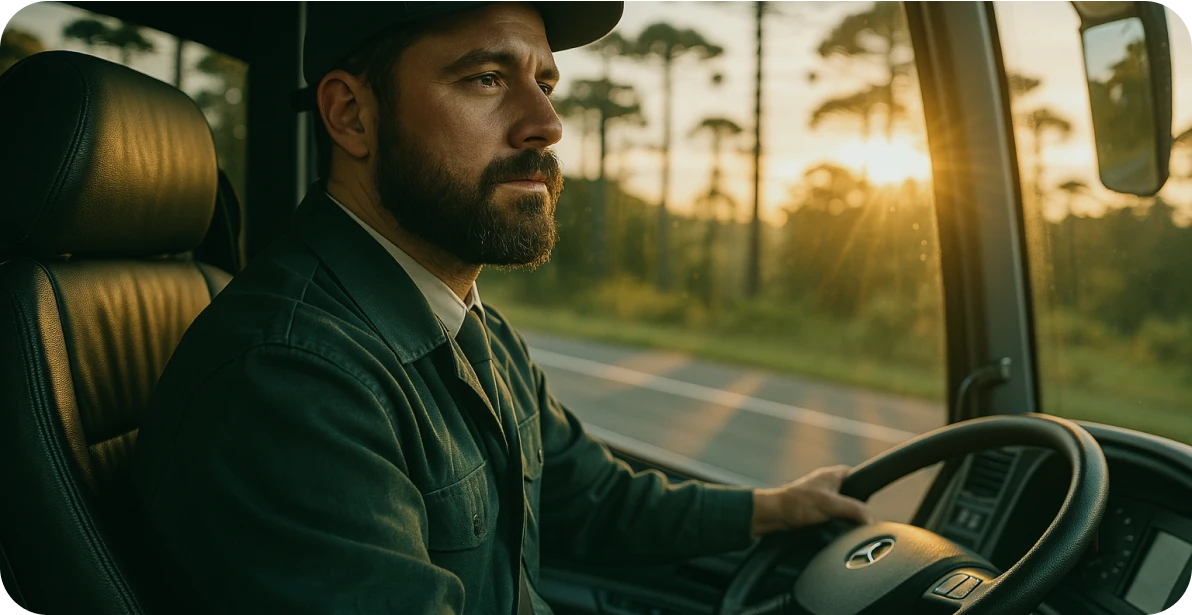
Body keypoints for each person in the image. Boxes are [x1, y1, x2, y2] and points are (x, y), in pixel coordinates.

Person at [130, 1, 874, 613]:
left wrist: (772, 509)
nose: (545, 124)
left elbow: (594, 498)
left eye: (546, 82)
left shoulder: (467, 324)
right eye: (487, 78)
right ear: (351, 116)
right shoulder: (289, 379)